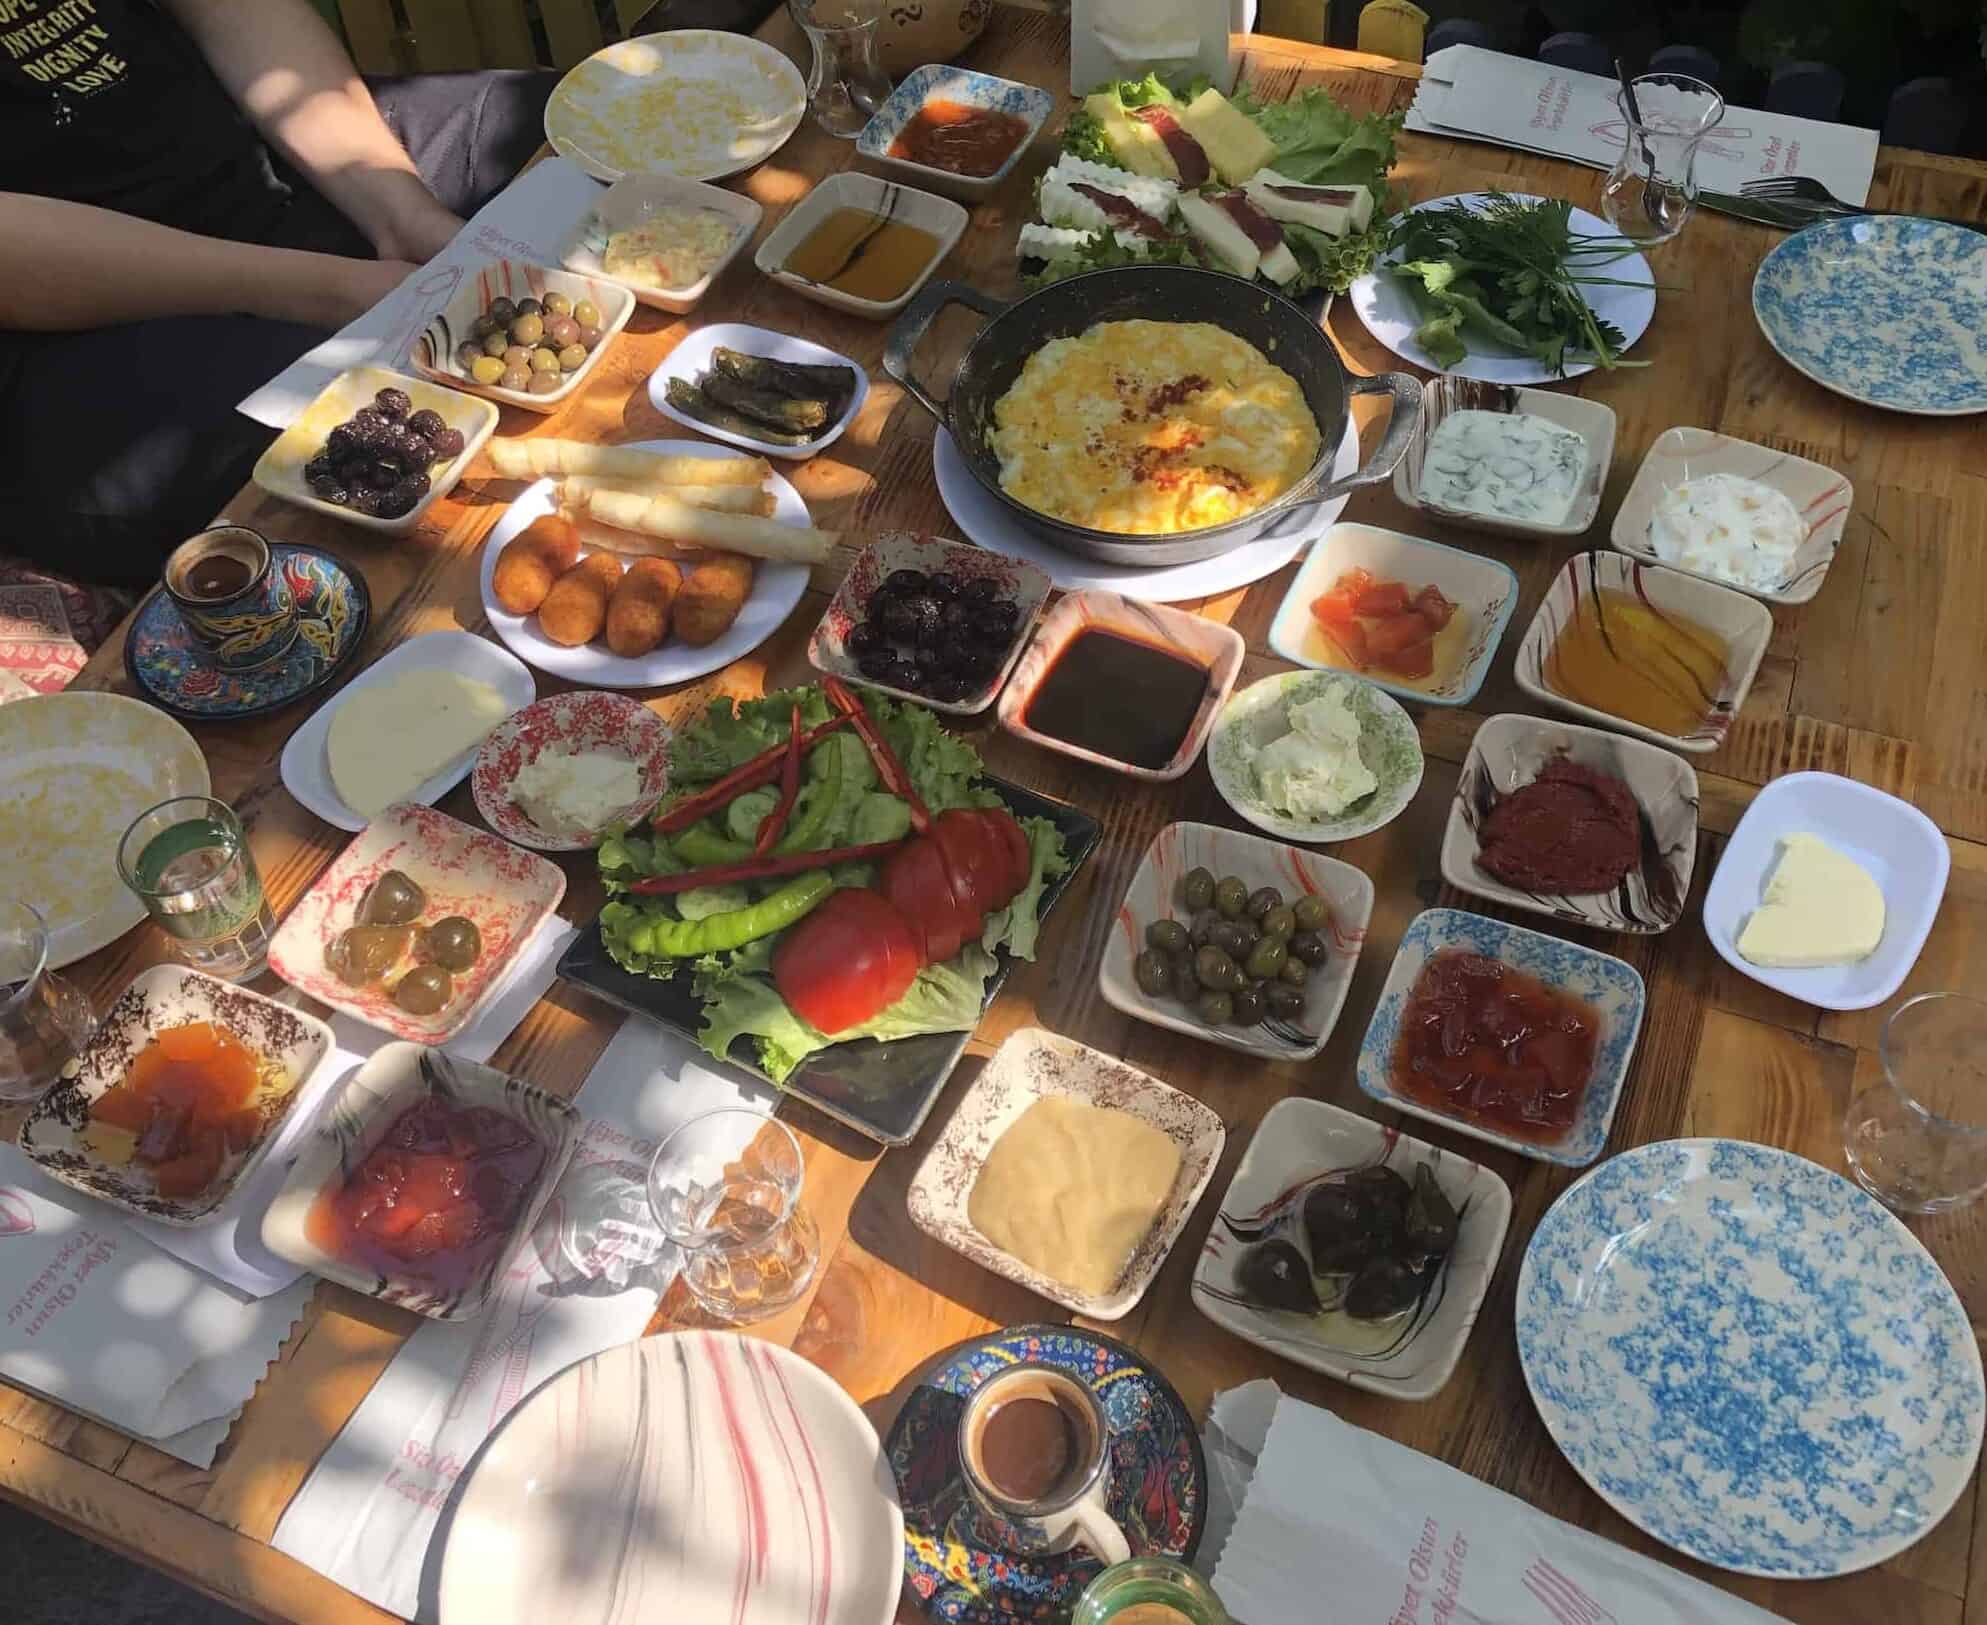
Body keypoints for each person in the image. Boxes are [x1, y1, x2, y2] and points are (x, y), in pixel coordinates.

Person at [0, 0, 556, 586]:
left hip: (254, 163)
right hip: (70, 324)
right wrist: (325, 290)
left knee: (569, 143)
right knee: (365, 455)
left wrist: (401, 210)